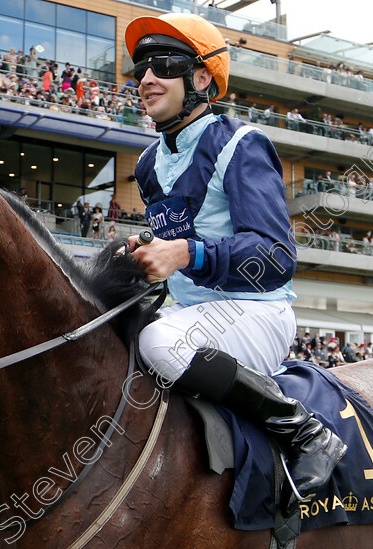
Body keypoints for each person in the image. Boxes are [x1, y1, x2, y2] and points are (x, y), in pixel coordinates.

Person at [124, 13, 345, 500]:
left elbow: (275, 253)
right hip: (189, 311)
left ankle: (305, 431)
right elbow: (181, 238)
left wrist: (185, 253)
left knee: (158, 344)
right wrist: (143, 253)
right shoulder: (147, 162)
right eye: (140, 67)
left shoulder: (242, 144)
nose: (146, 78)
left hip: (254, 309)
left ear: (202, 77)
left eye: (162, 64)